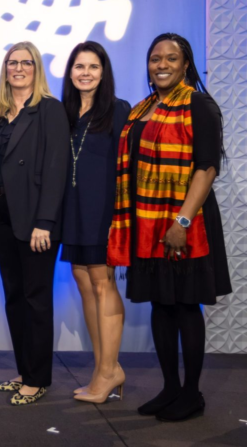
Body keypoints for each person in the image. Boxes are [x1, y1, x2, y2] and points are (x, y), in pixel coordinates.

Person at [108, 33, 231, 421]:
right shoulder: (141, 109)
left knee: (184, 305)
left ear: (185, 65)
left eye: (171, 58)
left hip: (185, 222)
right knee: (161, 305)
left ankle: (192, 394)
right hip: (147, 222)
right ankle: (170, 389)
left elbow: (207, 167)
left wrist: (181, 220)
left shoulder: (199, 104)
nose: (161, 64)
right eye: (155, 58)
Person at [0, 41, 69, 405]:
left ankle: (39, 377)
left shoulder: (50, 110)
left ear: (36, 68)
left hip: (34, 219)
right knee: (14, 297)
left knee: (36, 298)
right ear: (5, 68)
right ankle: (25, 369)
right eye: (12, 62)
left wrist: (45, 221)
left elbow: (57, 169)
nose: (18, 68)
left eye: (26, 63)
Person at [60, 42, 131, 403]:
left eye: (93, 66)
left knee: (102, 283)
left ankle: (108, 371)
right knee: (83, 279)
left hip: (105, 210)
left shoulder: (119, 111)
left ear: (104, 72)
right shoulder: (64, 112)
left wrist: (123, 215)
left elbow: (129, 168)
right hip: (72, 209)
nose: (85, 72)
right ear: (70, 72)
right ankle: (104, 367)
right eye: (78, 66)